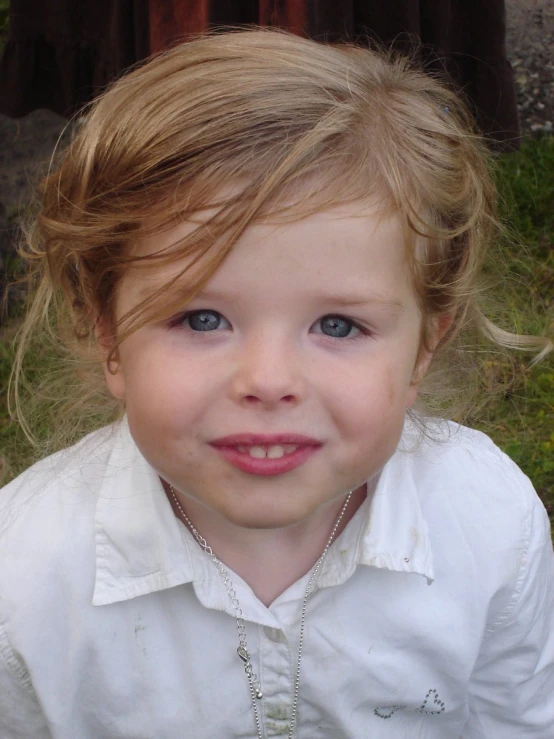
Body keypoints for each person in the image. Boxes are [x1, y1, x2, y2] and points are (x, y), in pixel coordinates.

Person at [0, 28, 552, 739]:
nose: (268, 380)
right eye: (202, 317)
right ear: (110, 336)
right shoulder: (24, 573)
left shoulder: (488, 523)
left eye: (339, 326)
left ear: (423, 349)